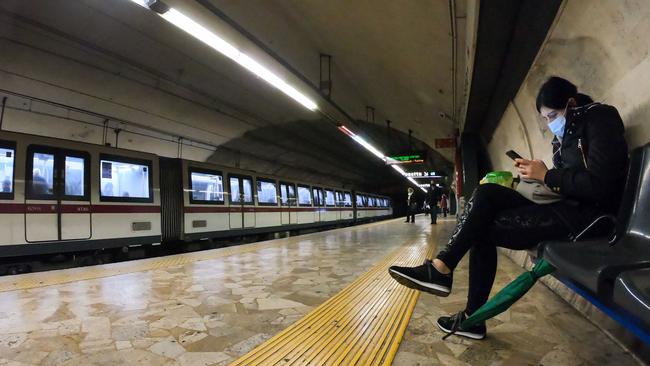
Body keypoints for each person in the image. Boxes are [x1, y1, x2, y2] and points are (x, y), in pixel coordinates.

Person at [389, 76, 628, 340]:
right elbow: (568, 181)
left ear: (570, 103)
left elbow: (601, 186)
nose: (551, 124)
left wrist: (546, 176)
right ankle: (443, 267)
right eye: (546, 119)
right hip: (567, 206)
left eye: (552, 116)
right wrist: (536, 178)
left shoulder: (601, 119)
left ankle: (465, 307)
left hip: (592, 219)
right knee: (488, 192)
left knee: (482, 229)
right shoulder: (564, 138)